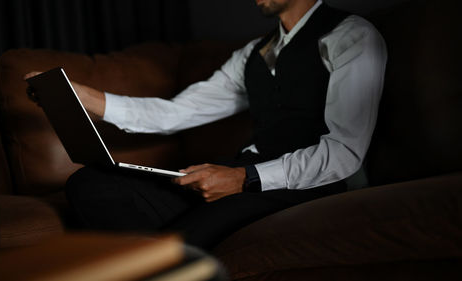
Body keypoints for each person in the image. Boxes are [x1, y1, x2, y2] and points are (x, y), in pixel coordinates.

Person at [25, 0, 387, 250]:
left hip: (313, 183)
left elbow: (344, 152)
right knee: (91, 184)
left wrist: (244, 179)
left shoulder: (352, 36)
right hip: (246, 167)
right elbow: (175, 113)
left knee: (183, 237)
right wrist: (85, 97)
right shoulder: (251, 55)